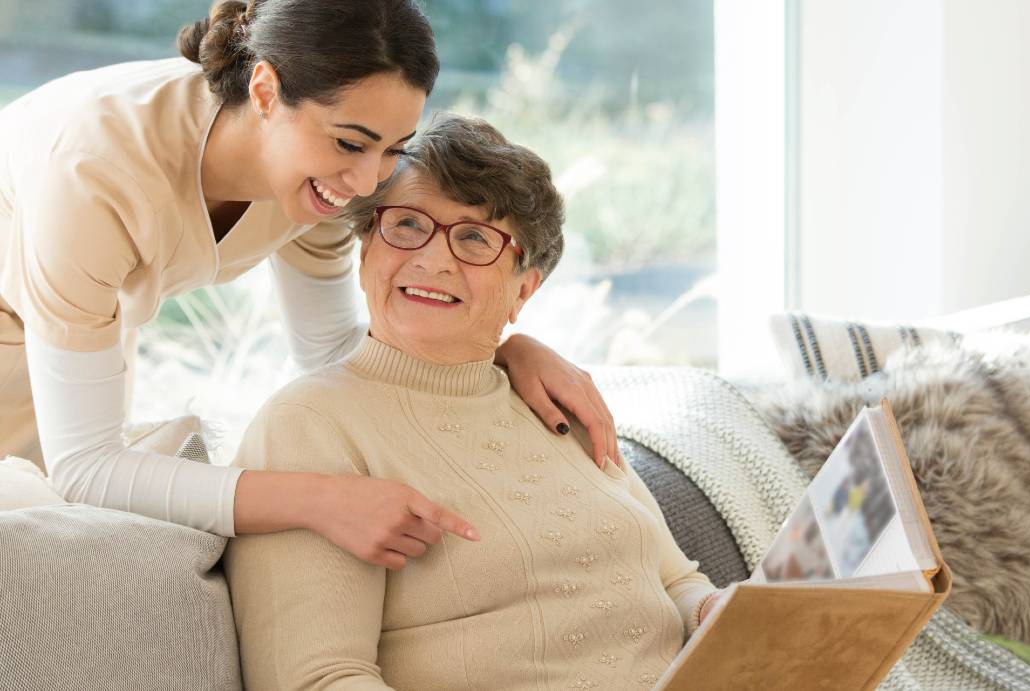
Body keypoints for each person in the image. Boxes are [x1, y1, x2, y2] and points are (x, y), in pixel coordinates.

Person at [0, 0, 618, 568]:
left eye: (391, 150)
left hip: (67, 337)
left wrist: (497, 350)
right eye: (351, 142)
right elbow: (87, 467)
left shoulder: (313, 186)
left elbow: (328, 351)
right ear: (265, 91)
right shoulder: (97, 171)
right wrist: (323, 500)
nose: (367, 180)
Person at [223, 113, 723, 690]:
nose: (434, 260)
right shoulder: (309, 426)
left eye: (475, 238)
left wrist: (719, 612)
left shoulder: (558, 405)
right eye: (407, 225)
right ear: (364, 254)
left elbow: (679, 583)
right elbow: (318, 679)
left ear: (523, 290)